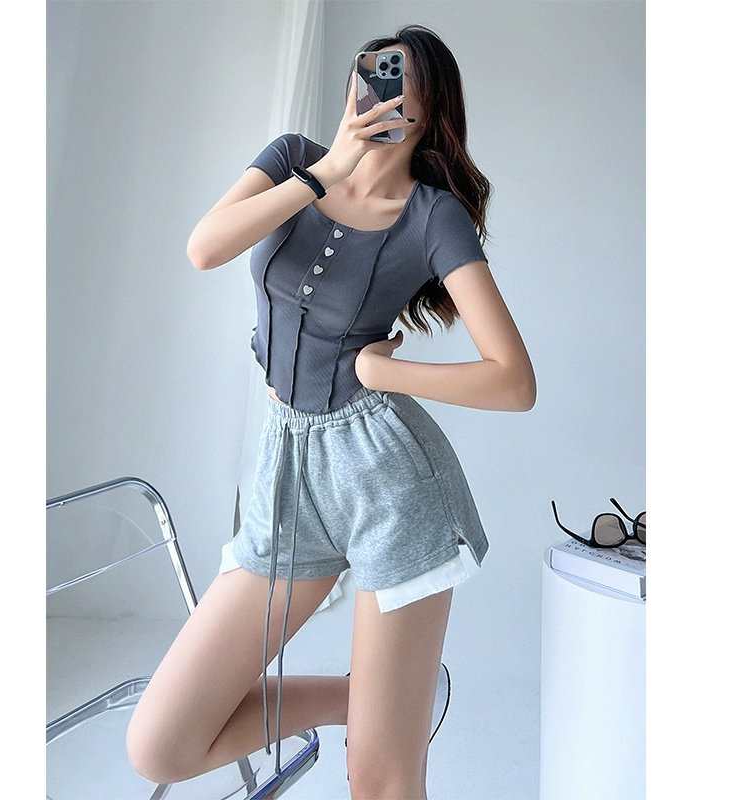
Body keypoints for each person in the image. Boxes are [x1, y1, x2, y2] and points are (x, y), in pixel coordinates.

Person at [126, 24, 535, 800]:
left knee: (379, 780)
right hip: (286, 468)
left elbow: (514, 381)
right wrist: (326, 173)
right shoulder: (292, 159)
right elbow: (204, 248)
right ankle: (377, 704)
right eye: (369, 74)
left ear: (429, 111)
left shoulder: (433, 217)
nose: (377, 92)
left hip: (390, 481)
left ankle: (388, 723)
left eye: (400, 83)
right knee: (162, 744)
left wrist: (387, 370)